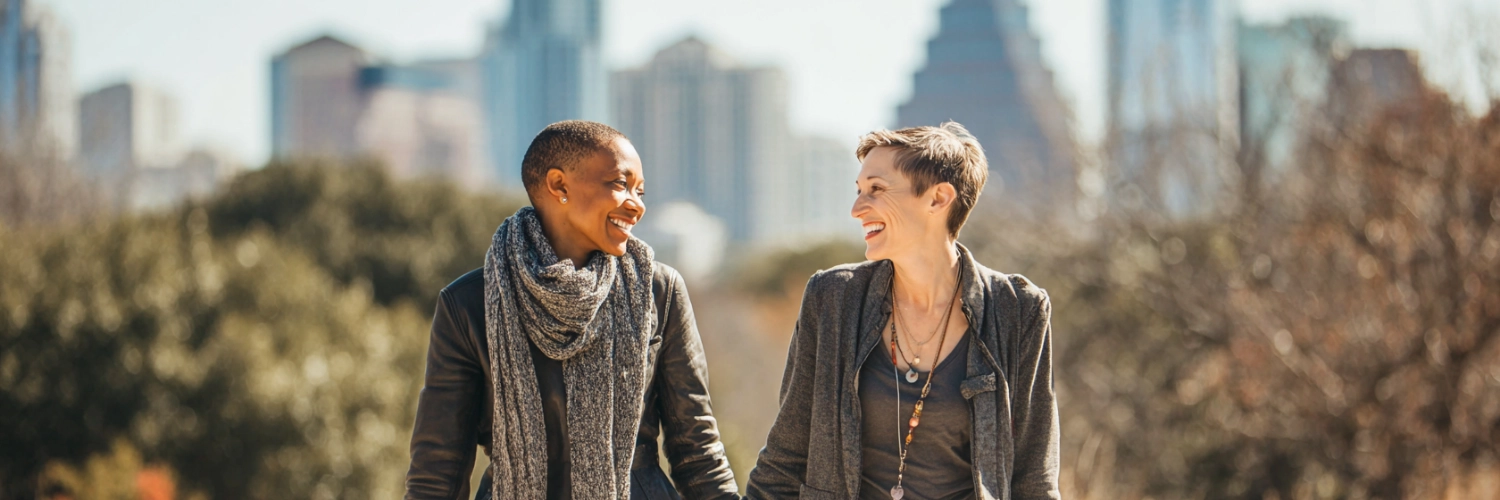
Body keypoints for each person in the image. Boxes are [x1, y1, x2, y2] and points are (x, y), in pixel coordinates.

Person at [404, 120, 738, 500]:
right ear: (559, 185)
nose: (637, 204)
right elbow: (437, 470)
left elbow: (697, 449)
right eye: (619, 184)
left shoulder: (659, 291)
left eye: (640, 191)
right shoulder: (468, 302)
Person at [744, 122, 1060, 499]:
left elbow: (1034, 477)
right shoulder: (832, 299)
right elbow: (786, 455)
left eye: (876, 189)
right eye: (859, 190)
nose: (856, 209)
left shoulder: (1018, 310)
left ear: (938, 199)